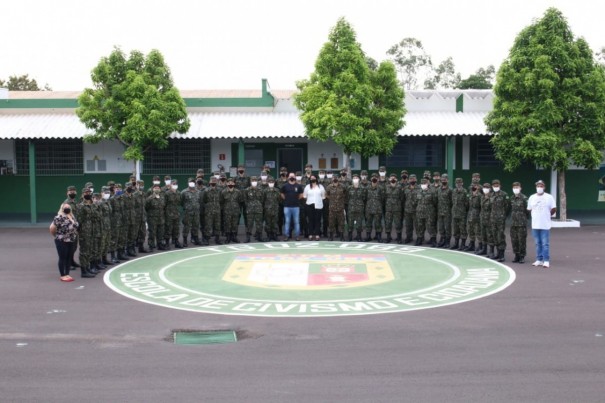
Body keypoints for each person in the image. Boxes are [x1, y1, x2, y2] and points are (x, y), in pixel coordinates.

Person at [527, 180, 557, 268]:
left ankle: (546, 260)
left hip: (545, 224)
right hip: (535, 224)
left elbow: (554, 208)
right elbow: (529, 209)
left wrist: (547, 215)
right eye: (538, 186)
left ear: (544, 187)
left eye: (541, 186)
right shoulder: (532, 197)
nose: (539, 187)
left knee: (545, 243)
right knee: (537, 243)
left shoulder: (549, 197)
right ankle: (539, 259)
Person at [50, 203, 80, 281]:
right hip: (61, 240)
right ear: (62, 209)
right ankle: (62, 275)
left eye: (68, 207)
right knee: (62, 257)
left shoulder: (72, 217)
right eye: (65, 207)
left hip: (71, 240)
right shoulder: (58, 217)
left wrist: (71, 219)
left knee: (68, 257)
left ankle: (67, 274)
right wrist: (56, 236)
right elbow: (53, 228)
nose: (67, 209)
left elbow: (76, 226)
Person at [281, 173, 304, 241]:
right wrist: (286, 199)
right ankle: (286, 236)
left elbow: (301, 195)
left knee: (296, 222)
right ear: (288, 177)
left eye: (293, 176)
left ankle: (297, 236)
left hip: (296, 206)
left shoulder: (298, 186)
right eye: (290, 176)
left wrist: (296, 199)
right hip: (287, 206)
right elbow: (281, 194)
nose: (292, 177)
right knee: (287, 222)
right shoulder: (285, 186)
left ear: (295, 177)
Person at [510, 181, 529, 263]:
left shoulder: (524, 198)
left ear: (520, 188)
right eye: (514, 187)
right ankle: (516, 255)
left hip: (521, 223)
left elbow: (527, 211)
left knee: (522, 240)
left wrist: (524, 219)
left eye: (517, 187)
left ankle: (522, 256)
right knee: (514, 240)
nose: (515, 189)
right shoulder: (511, 198)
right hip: (513, 223)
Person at [304, 174, 326, 241]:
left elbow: (323, 196)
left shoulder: (321, 187)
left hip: (318, 206)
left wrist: (317, 200)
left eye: (314, 178)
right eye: (311, 178)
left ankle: (317, 235)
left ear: (316, 178)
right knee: (310, 220)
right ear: (310, 179)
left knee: (318, 221)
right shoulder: (307, 187)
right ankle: (310, 234)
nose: (312, 179)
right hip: (309, 205)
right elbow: (305, 196)